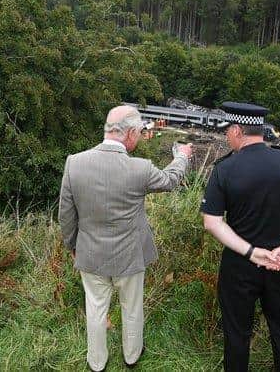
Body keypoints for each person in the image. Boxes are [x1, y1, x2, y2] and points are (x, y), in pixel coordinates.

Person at [58, 105, 193, 371]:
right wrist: (183, 157)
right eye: (141, 132)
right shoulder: (140, 168)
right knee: (132, 308)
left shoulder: (75, 162)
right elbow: (170, 180)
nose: (142, 136)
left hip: (90, 253)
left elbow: (66, 214)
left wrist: (72, 246)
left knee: (95, 308)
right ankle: (132, 357)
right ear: (130, 132)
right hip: (130, 255)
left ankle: (97, 362)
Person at [200, 101, 280, 372]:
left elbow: (212, 222)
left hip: (239, 267)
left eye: (226, 132)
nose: (226, 137)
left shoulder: (225, 169)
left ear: (236, 131)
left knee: (237, 334)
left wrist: (250, 252)